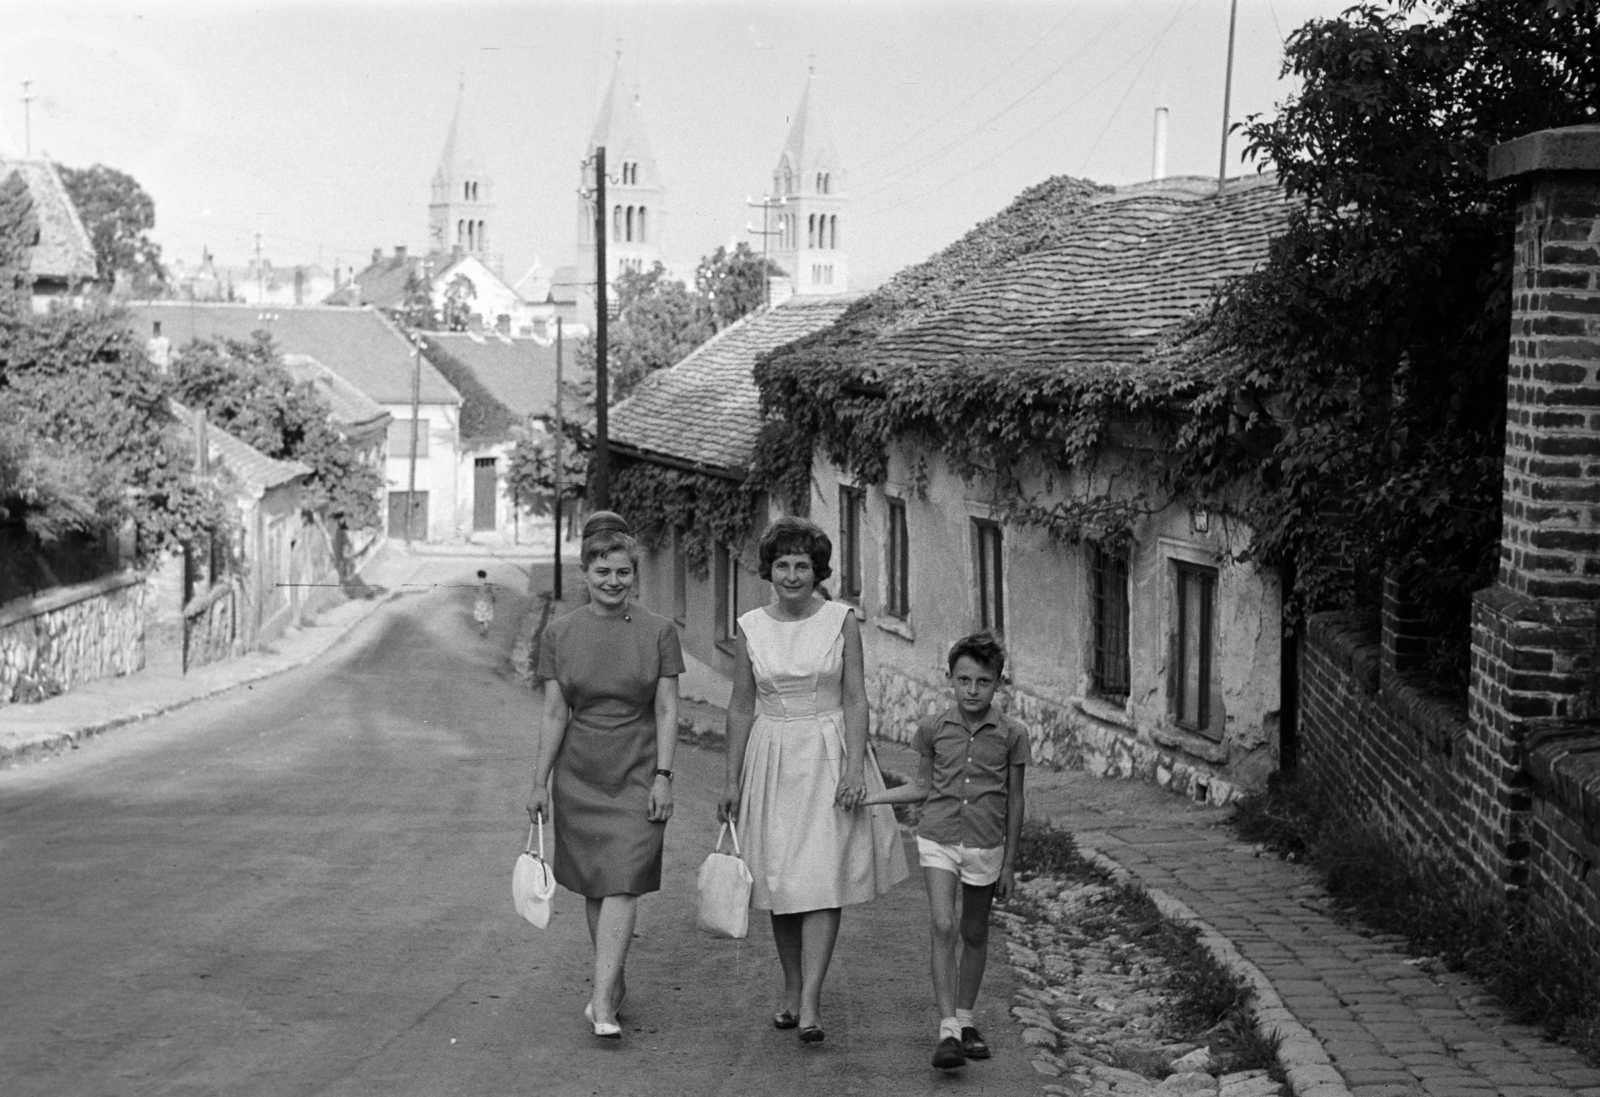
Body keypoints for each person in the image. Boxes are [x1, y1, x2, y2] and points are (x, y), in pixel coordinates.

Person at [718, 516, 908, 1045]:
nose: (792, 575)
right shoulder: (750, 626)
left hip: (828, 752)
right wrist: (731, 779)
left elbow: (855, 698)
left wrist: (854, 768)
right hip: (772, 754)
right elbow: (740, 706)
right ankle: (791, 984)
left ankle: (811, 999)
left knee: (821, 876)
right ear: (769, 570)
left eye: (802, 565)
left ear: (817, 570)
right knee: (780, 878)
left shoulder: (841, 620)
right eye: (782, 565)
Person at [526, 511, 683, 1039]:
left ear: (635, 574)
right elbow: (555, 713)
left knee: (623, 881)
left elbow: (667, 709)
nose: (613, 582)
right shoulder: (559, 633)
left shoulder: (659, 631)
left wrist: (664, 775)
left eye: (623, 572)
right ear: (585, 573)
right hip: (580, 775)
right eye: (602, 572)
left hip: (638, 769)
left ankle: (601, 1001)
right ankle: (610, 983)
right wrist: (539, 782)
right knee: (598, 885)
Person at [861, 630, 1028, 1072]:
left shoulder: (1013, 734)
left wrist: (1010, 863)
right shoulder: (933, 728)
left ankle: (967, 1019)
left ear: (998, 683)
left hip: (986, 844)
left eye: (983, 682)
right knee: (942, 924)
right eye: (964, 680)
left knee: (974, 932)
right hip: (938, 839)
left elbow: (1015, 800)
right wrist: (870, 799)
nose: (972, 690)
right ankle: (948, 1029)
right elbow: (921, 786)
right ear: (950, 679)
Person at [473, 569, 495, 637]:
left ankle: (481, 631)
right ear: (485, 576)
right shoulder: (488, 584)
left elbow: (476, 593)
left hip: (479, 603)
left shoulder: (476, 585)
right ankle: (485, 630)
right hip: (486, 603)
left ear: (478, 576)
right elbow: (491, 593)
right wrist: (493, 600)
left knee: (480, 619)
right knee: (486, 619)